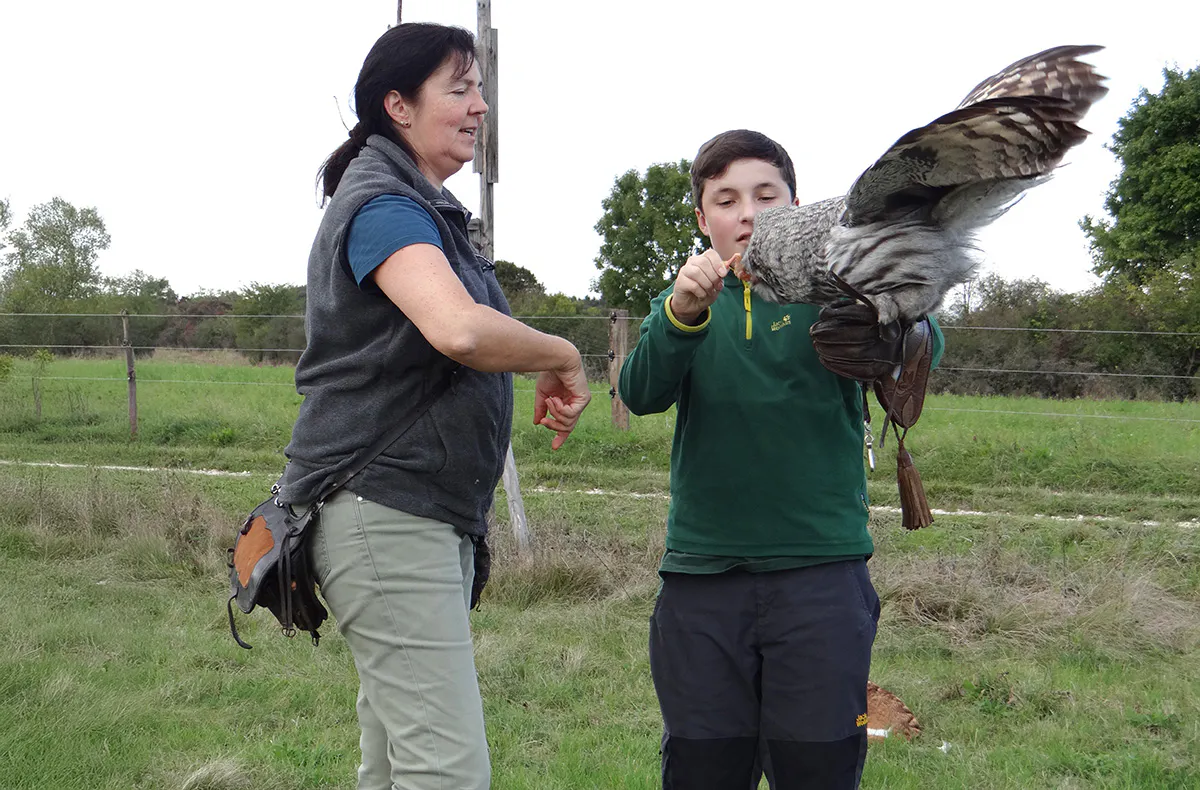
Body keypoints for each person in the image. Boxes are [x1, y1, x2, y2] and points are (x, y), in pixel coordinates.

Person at [276, 23, 591, 790]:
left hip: (415, 514)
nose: (480, 106)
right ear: (399, 106)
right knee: (446, 772)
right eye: (459, 88)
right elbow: (456, 329)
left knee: (393, 766)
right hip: (385, 513)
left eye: (479, 88)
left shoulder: (423, 207)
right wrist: (562, 354)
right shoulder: (385, 205)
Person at [619, 129, 944, 789]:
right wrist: (682, 311)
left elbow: (922, 343)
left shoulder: (835, 295)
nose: (746, 212)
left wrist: (896, 307)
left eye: (766, 196)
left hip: (821, 580)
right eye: (726, 198)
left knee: (819, 767)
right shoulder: (681, 305)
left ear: (794, 207)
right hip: (702, 582)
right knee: (704, 767)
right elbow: (639, 393)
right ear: (701, 216)